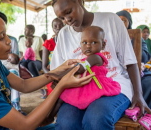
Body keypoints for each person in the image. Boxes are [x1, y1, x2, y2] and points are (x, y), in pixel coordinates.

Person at [50, 0, 151, 129]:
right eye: (61, 17)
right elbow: (58, 72)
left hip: (114, 85)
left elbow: (130, 62)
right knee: (66, 123)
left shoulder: (111, 20)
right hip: (79, 90)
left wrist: (138, 94)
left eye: (69, 12)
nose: (67, 19)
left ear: (80, 2)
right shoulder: (64, 34)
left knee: (96, 118)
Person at [116, 10, 151, 109]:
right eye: (117, 20)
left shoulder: (137, 38)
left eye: (124, 20)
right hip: (120, 73)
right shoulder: (110, 38)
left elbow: (144, 56)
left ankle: (146, 114)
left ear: (129, 23)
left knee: (148, 83)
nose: (120, 23)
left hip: (139, 71)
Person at [19, 24, 46, 98]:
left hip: (36, 61)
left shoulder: (38, 39)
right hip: (26, 60)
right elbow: (21, 54)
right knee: (22, 65)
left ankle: (41, 87)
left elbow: (42, 53)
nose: (25, 31)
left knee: (31, 64)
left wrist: (44, 65)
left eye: (27, 30)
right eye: (25, 29)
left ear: (32, 31)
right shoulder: (21, 40)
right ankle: (23, 87)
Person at [42, 18, 64, 95]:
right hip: (52, 76)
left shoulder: (69, 43)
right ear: (52, 29)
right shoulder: (48, 44)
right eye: (55, 26)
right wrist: (53, 78)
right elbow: (44, 67)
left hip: (67, 75)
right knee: (54, 94)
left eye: (61, 25)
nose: (58, 28)